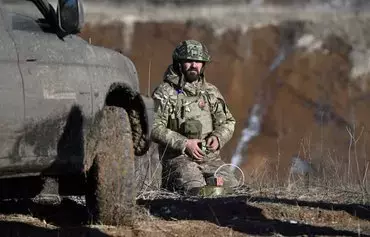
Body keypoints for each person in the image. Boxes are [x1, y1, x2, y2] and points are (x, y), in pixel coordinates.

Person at [151, 39, 239, 195]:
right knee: (196, 192)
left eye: (198, 61)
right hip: (178, 160)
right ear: (179, 63)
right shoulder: (165, 92)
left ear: (203, 65)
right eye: (189, 61)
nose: (194, 65)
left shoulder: (211, 92)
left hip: (211, 160)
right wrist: (185, 144)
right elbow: (153, 126)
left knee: (232, 190)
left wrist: (218, 138)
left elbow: (228, 122)